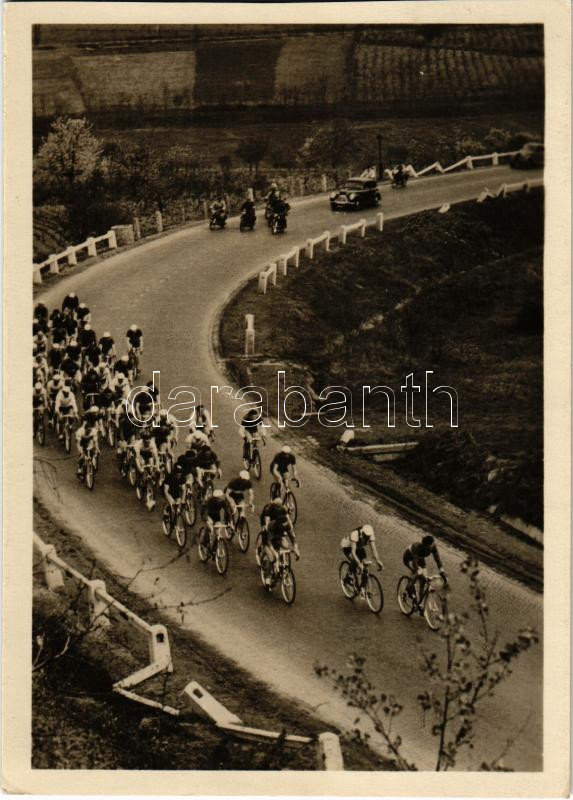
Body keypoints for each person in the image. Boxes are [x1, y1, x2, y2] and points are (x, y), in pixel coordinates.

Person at [403, 535, 448, 604]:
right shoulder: (416, 547)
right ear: (424, 546)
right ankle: (409, 588)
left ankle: (420, 603)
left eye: (432, 546)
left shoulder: (433, 546)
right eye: (429, 547)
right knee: (417, 573)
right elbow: (414, 562)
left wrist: (442, 571)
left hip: (420, 558)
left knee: (423, 581)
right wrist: (418, 571)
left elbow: (437, 560)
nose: (431, 548)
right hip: (409, 558)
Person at [261, 513, 299, 586]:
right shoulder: (271, 526)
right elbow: (269, 542)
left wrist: (296, 549)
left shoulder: (287, 525)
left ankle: (282, 563)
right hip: (267, 541)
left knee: (286, 546)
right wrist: (274, 552)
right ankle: (268, 577)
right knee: (272, 558)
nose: (285, 527)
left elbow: (293, 538)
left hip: (278, 537)